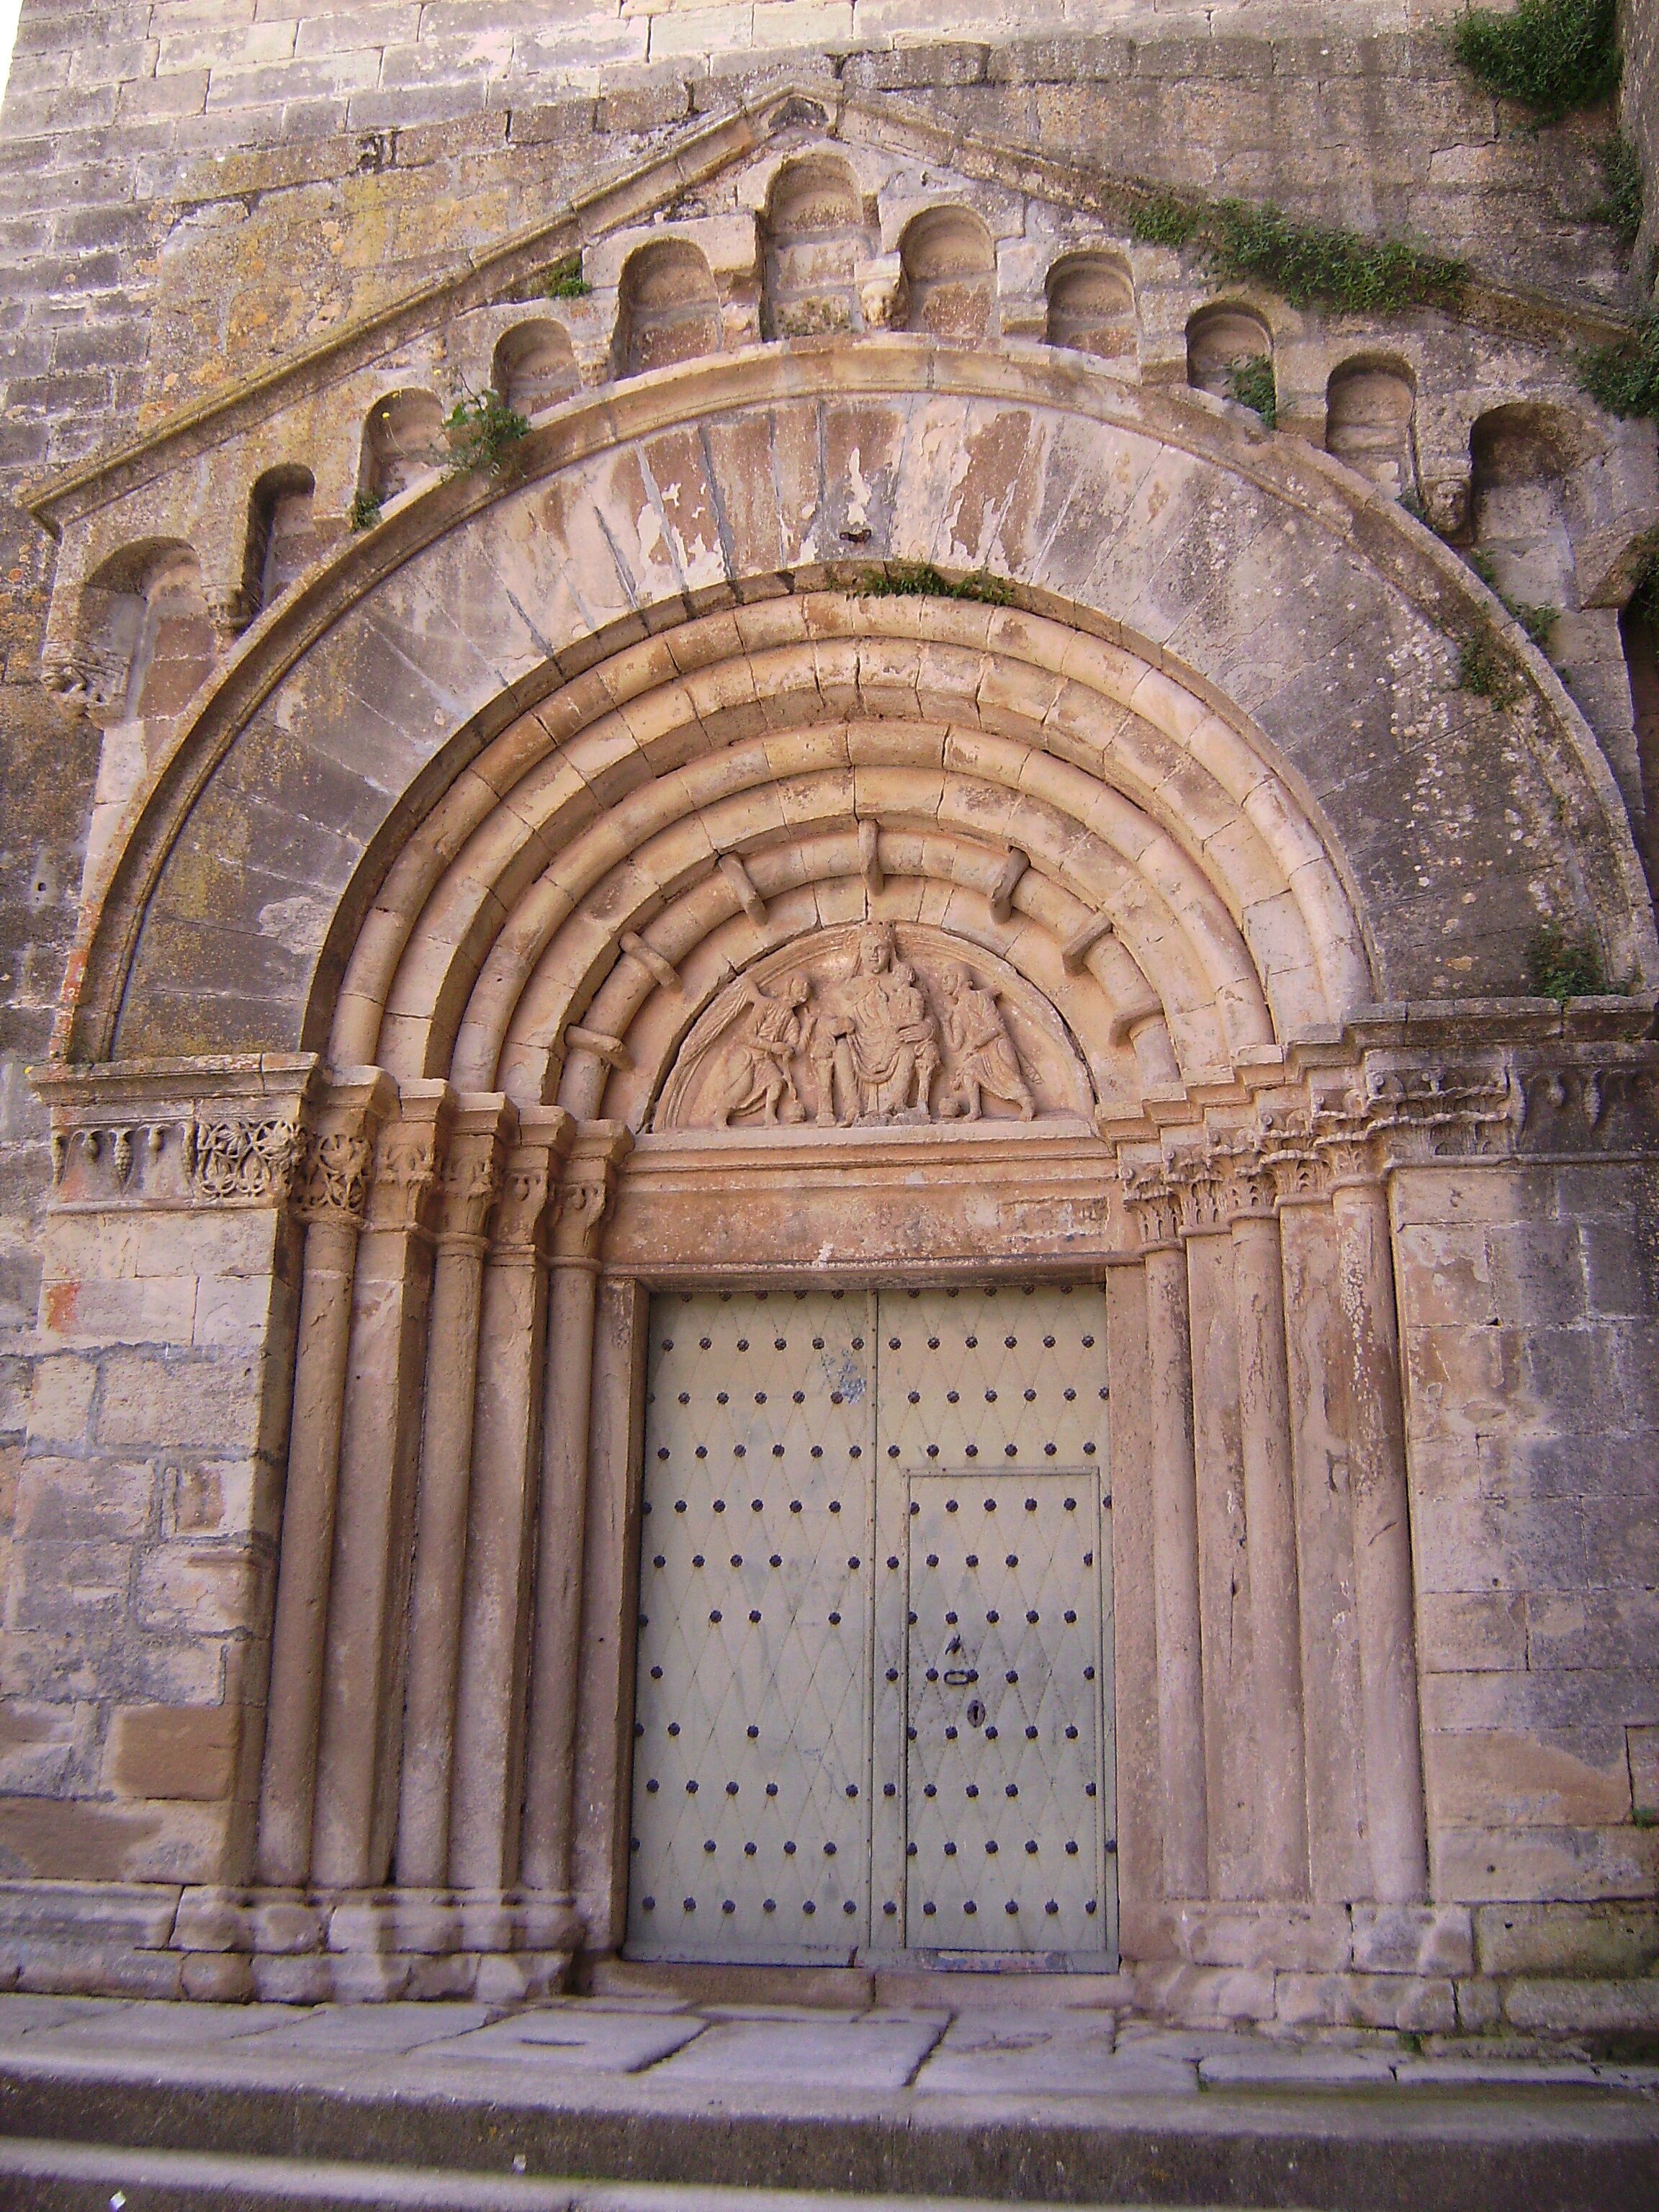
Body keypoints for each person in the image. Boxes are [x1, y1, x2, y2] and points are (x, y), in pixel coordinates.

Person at [938, 963, 1035, 1120]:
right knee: (969, 1070)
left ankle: (1028, 1104)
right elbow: (955, 1046)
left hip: (997, 1047)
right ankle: (976, 1110)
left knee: (1011, 1080)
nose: (943, 982)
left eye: (947, 978)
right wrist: (945, 1024)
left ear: (958, 978)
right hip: (981, 1055)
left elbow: (996, 1027)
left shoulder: (980, 998)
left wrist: (978, 1042)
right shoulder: (957, 1012)